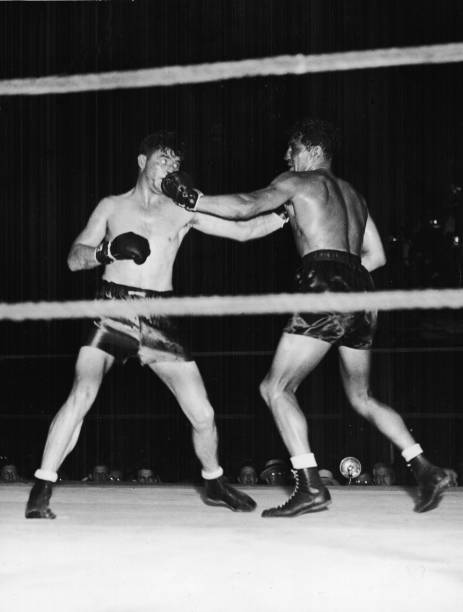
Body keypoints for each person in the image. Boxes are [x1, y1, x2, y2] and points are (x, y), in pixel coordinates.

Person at [162, 118, 450, 517]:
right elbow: (377, 257)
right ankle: (425, 468)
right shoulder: (354, 196)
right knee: (362, 397)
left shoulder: (300, 182)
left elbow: (247, 206)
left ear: (313, 151)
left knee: (275, 388)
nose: (286, 156)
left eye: (292, 149)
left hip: (326, 283)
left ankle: (310, 485)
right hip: (362, 290)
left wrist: (194, 199)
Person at [25, 131, 289, 519]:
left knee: (203, 413)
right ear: (141, 161)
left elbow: (243, 230)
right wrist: (108, 250)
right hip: (112, 309)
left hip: (160, 317)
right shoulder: (112, 207)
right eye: (163, 160)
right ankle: (42, 487)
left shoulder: (182, 209)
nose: (170, 168)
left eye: (175, 164)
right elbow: (74, 259)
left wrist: (286, 214)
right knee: (82, 393)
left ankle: (214, 482)